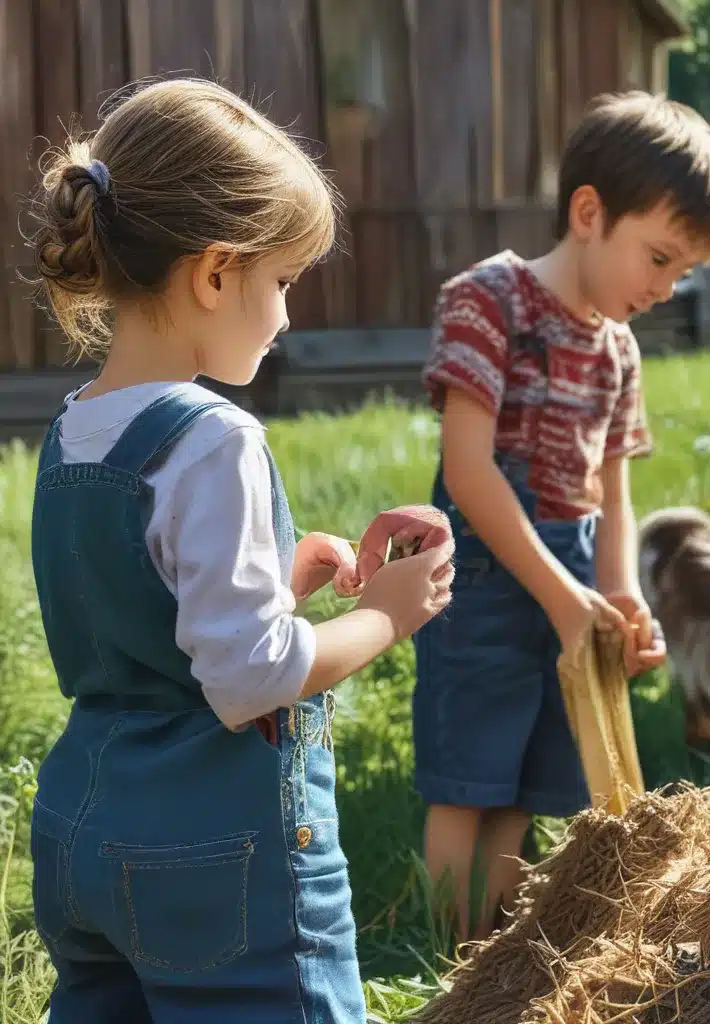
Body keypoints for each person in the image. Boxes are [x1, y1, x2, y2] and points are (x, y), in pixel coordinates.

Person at [25, 77, 453, 1024]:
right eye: (284, 281)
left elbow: (138, 613)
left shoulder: (73, 430)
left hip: (82, 830)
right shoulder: (215, 436)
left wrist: (283, 578)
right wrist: (385, 614)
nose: (289, 315)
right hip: (215, 858)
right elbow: (249, 680)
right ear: (216, 273)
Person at [412, 91, 710, 942]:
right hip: (482, 574)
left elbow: (616, 494)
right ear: (589, 212)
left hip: (572, 568)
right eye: (659, 258)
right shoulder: (490, 303)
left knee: (527, 784)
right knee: (469, 779)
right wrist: (563, 597)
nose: (665, 288)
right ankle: (442, 951)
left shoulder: (619, 351)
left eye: (682, 274)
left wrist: (620, 598)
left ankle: (492, 951)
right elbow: (468, 470)